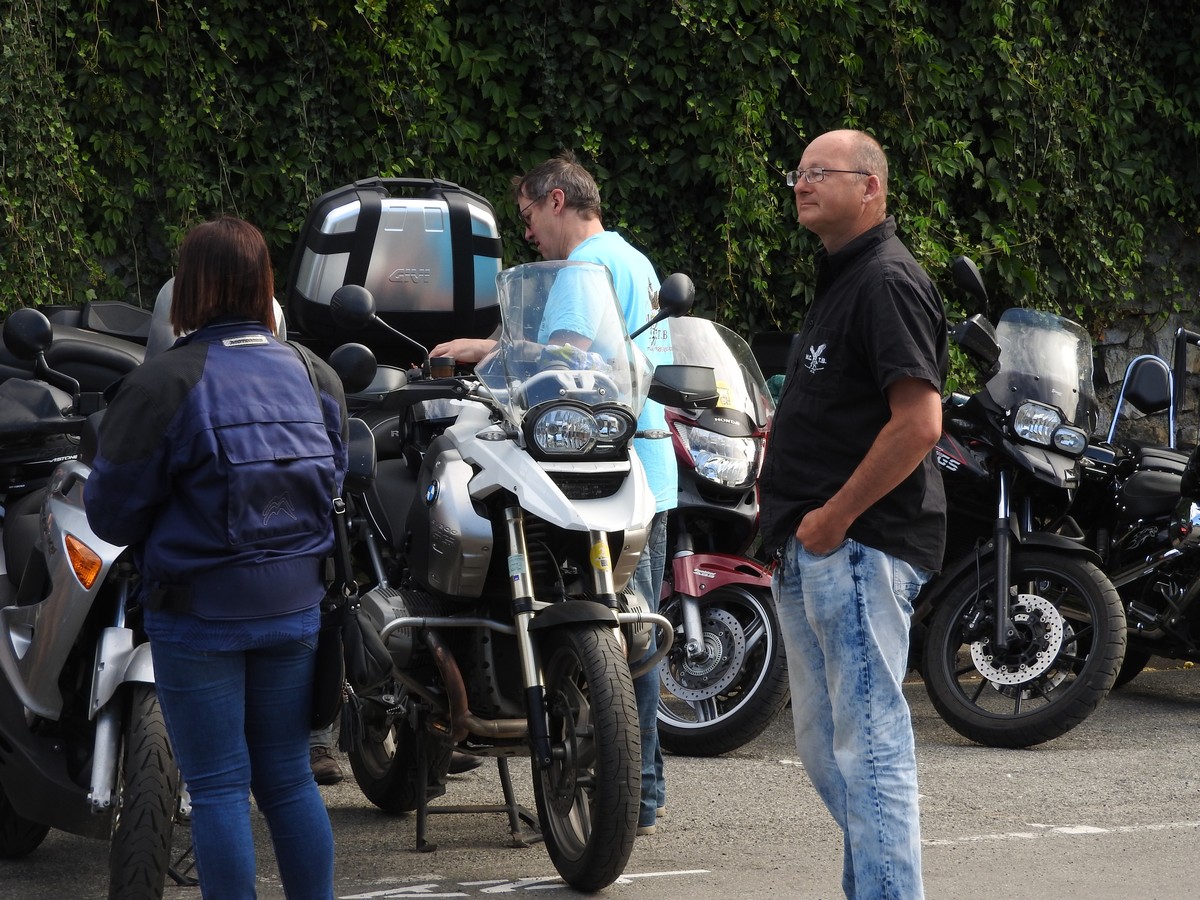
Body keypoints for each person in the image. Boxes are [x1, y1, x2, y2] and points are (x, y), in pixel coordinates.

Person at [84, 216, 346, 899]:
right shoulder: (314, 374)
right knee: (288, 777)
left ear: (188, 289)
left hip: (198, 616)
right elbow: (337, 481)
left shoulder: (164, 382)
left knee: (220, 785)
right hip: (296, 609)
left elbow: (110, 511)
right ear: (265, 286)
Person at [431, 151, 675, 836]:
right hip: (641, 466)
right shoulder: (633, 259)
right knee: (632, 627)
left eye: (530, 216)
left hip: (590, 463)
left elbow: (560, 358)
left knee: (616, 628)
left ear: (558, 199)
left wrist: (484, 352)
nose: (529, 232)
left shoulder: (581, 270)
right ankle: (638, 791)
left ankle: (635, 796)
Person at [758, 130, 947, 899]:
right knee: (833, 754)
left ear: (870, 187)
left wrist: (833, 518)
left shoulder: (887, 281)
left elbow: (920, 423)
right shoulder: (842, 280)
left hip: (857, 546)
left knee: (869, 755)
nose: (800, 183)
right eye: (798, 171)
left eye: (818, 172)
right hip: (819, 549)